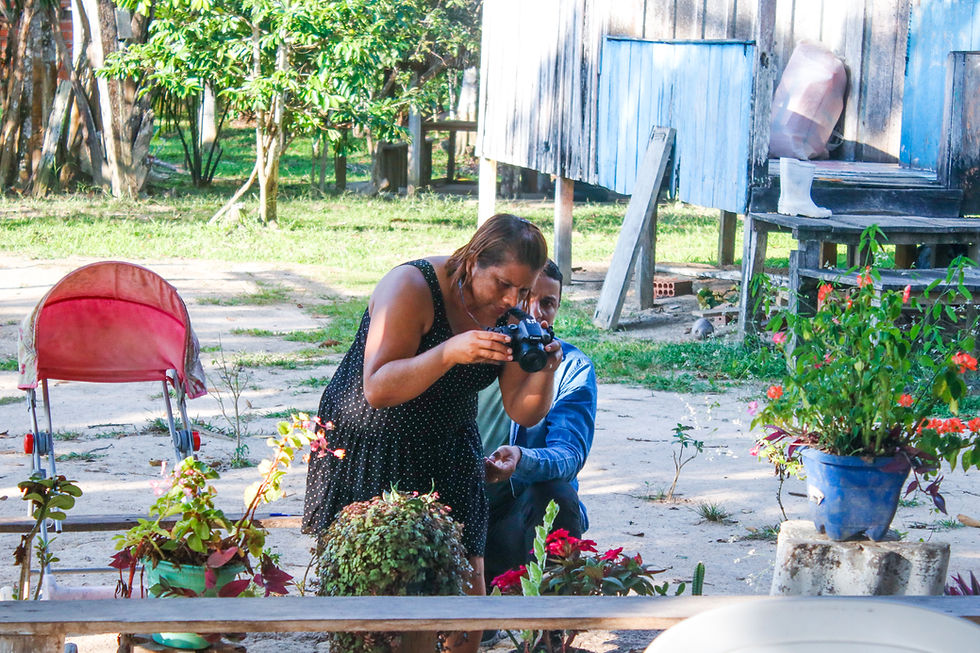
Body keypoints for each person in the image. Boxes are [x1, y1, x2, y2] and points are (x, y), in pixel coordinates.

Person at [302, 214, 561, 653]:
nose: (512, 300)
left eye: (524, 290)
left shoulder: (513, 315)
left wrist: (544, 372)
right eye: (503, 284)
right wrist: (448, 353)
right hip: (375, 443)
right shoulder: (411, 286)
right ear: (474, 261)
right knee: (380, 597)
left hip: (450, 444)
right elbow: (377, 388)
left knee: (468, 597)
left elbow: (524, 410)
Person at [479, 260, 598, 586]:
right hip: (458, 510)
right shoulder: (471, 352)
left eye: (547, 303)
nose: (534, 313)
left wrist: (521, 459)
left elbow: (569, 455)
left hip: (517, 517)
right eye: (525, 298)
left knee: (557, 494)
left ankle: (551, 610)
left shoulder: (572, 367)